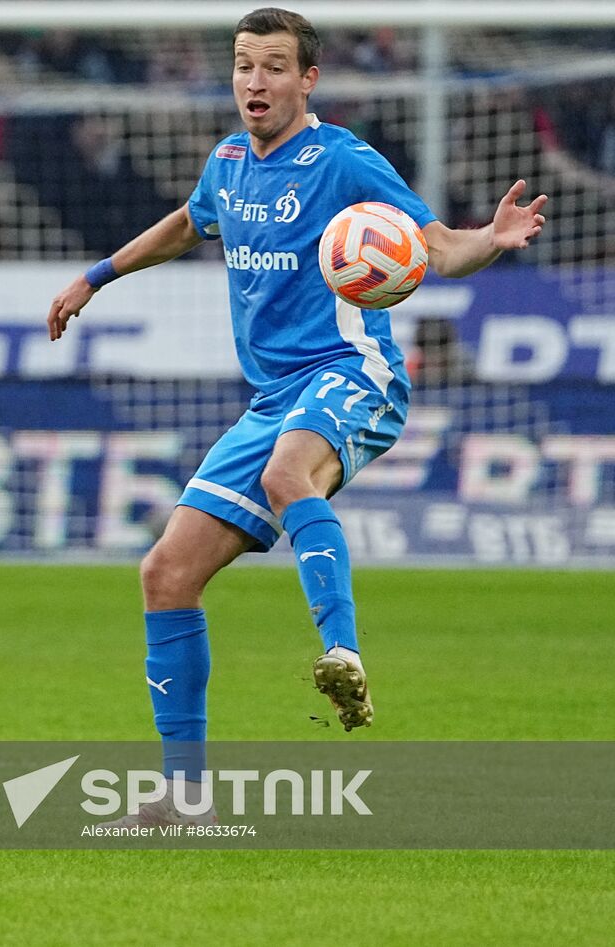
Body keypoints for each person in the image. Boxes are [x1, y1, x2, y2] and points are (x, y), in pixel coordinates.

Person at [46, 7, 546, 825]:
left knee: (287, 473)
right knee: (165, 575)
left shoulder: (343, 160)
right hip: (273, 398)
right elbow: (186, 222)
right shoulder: (229, 162)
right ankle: (185, 797)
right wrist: (96, 277)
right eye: (244, 64)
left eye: (274, 66)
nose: (255, 80)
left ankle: (342, 651)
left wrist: (488, 238)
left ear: (307, 79)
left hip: (355, 371)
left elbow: (438, 247)